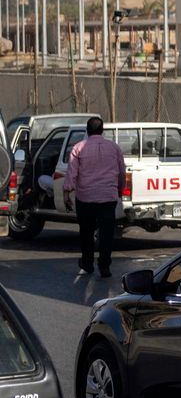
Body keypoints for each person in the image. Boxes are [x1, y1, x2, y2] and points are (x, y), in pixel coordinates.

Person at [62, 117, 125, 279]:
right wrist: (119, 189)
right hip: (108, 197)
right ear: (102, 130)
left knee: (86, 232)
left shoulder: (78, 148)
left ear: (87, 131)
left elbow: (71, 173)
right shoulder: (114, 148)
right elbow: (121, 172)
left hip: (85, 198)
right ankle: (105, 266)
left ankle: (87, 263)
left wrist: (66, 193)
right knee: (106, 234)